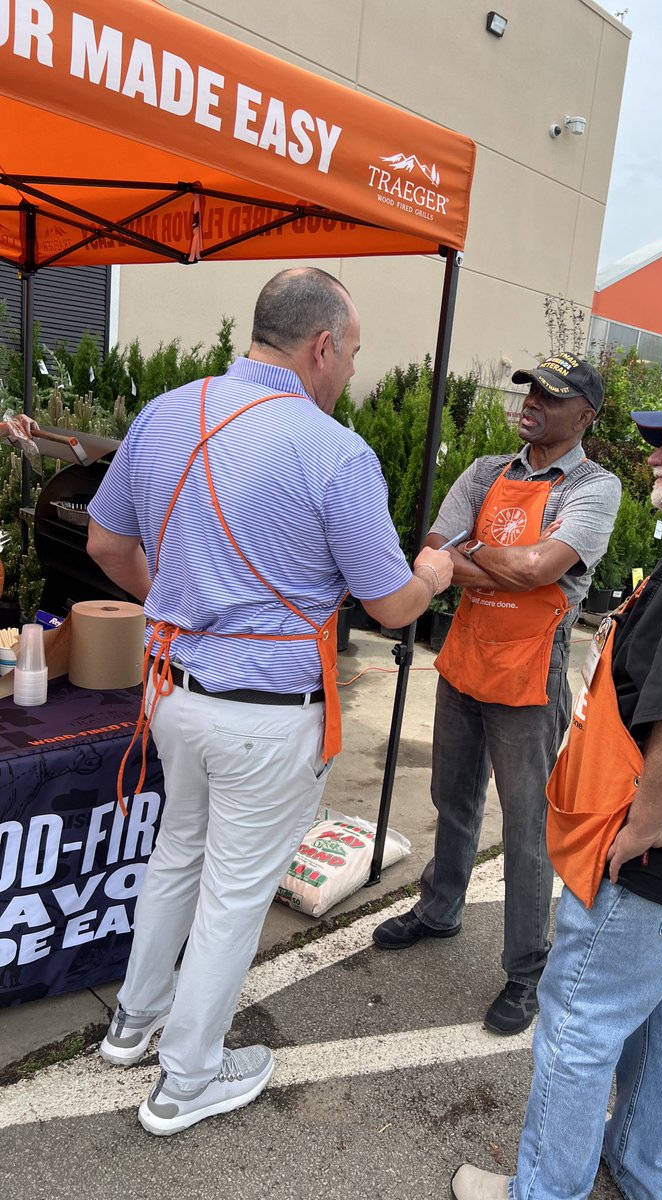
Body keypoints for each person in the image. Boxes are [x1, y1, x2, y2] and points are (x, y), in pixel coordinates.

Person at [86, 267, 453, 1136]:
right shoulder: (335, 451)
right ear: (321, 345)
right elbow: (391, 604)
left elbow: (105, 542)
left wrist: (177, 603)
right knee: (235, 891)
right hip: (266, 711)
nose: (353, 373)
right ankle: (187, 1079)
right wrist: (435, 570)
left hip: (175, 691)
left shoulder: (167, 411)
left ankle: (132, 1025)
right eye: (354, 353)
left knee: (179, 855)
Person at [449, 385, 662, 1200]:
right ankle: (638, 1171)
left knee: (578, 1021)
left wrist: (641, 826)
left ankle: (543, 1191)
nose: (651, 455)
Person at [373, 352, 621, 1035]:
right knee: (452, 800)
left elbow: (542, 566)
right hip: (464, 660)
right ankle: (439, 907)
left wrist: (466, 557)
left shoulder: (595, 487)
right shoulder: (487, 471)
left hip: (529, 673)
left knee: (526, 829)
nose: (533, 401)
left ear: (586, 416)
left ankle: (526, 968)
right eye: (530, 389)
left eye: (553, 394)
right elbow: (432, 546)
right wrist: (492, 563)